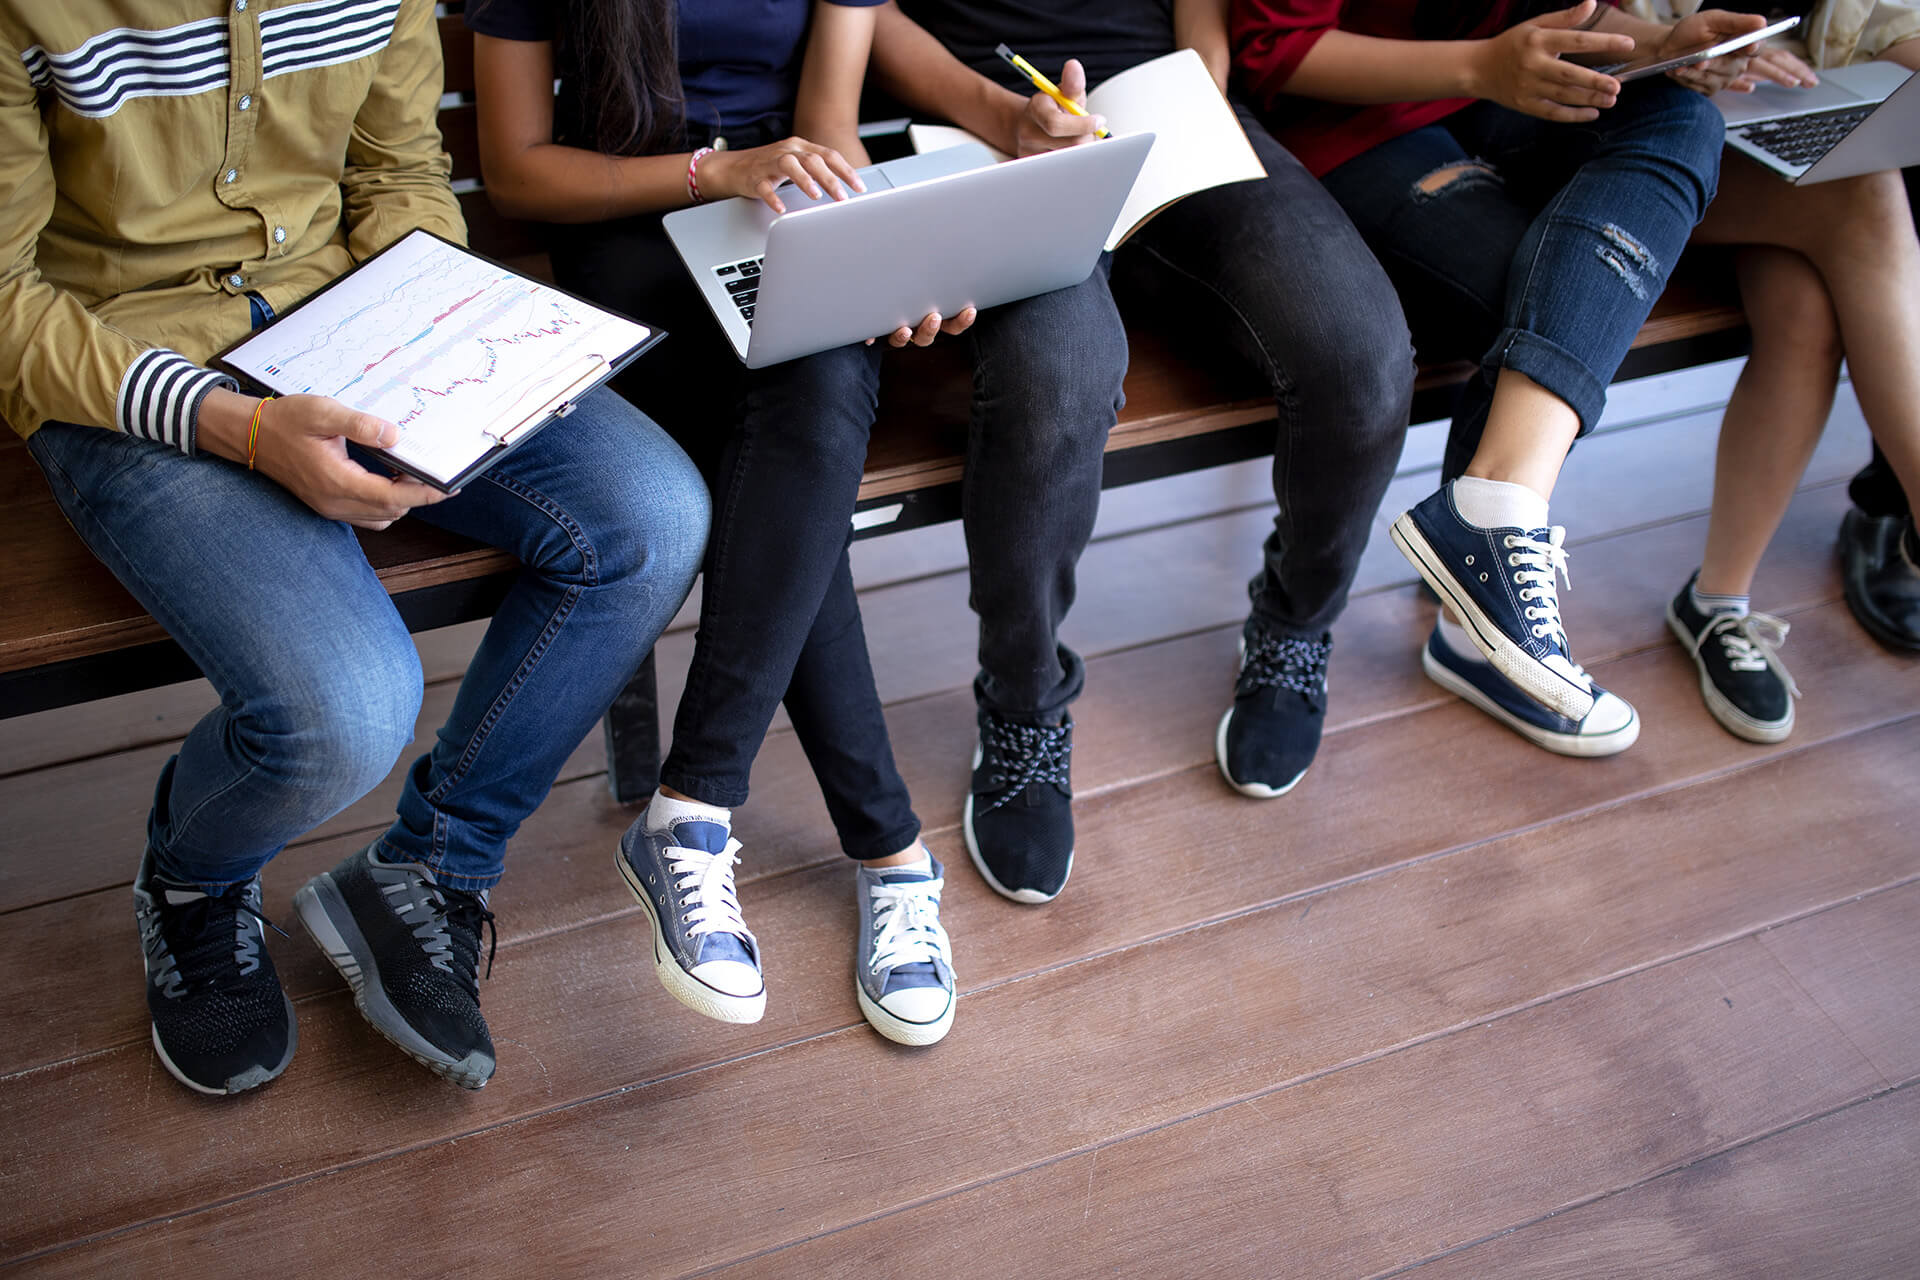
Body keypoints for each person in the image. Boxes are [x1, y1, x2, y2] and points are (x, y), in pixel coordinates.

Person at [0, 0, 710, 1095]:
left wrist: (417, 356)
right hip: (131, 378)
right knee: (346, 712)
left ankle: (430, 865)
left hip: (354, 326)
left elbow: (399, 174)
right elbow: (8, 304)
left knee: (652, 516)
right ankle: (193, 878)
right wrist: (236, 424)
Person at [467, 0, 1014, 1043]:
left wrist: (874, 253)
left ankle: (696, 809)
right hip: (628, 242)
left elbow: (829, 136)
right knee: (789, 475)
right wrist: (710, 171)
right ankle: (889, 852)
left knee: (811, 400)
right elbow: (519, 171)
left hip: (778, 218)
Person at [869, 1, 1414, 813]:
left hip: (1162, 98)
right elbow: (863, 14)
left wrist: (1199, 94)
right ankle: (1022, 702)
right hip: (977, 116)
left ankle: (1296, 625)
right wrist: (1001, 112)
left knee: (1360, 355)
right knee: (1058, 382)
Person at [1232, 0, 1765, 757]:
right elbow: (1271, 51)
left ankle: (1492, 529)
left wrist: (1658, 43)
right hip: (1353, 117)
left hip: (1505, 88)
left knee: (1687, 121)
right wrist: (1481, 66)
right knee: (1533, 290)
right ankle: (1425, 602)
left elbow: (1551, 10)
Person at [1614, 0, 1920, 740]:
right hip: (1637, 144)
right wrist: (1689, 57)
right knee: (1868, 193)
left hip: (1777, 154)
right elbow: (1593, 42)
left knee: (1805, 310)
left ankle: (1716, 601)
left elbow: (1892, 29)